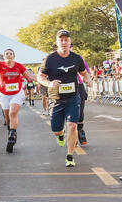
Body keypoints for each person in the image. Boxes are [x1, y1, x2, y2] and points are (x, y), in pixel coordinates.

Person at [38, 29, 91, 167]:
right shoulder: (49, 59)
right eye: (61, 40)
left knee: (72, 126)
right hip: (56, 99)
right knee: (56, 130)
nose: (64, 42)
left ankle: (69, 156)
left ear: (70, 42)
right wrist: (50, 83)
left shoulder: (76, 58)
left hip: (73, 97)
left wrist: (88, 79)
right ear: (57, 42)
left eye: (66, 40)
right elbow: (40, 77)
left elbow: (84, 73)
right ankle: (60, 134)